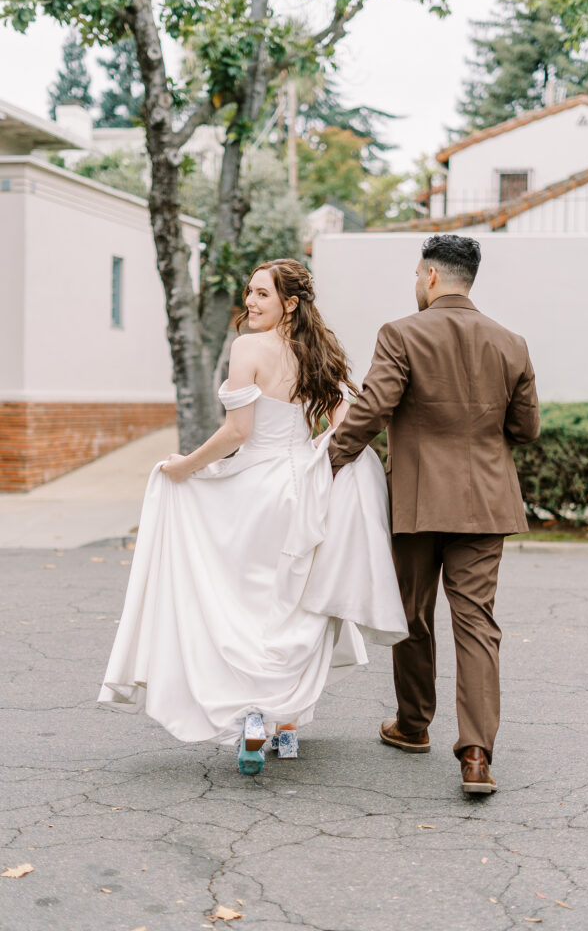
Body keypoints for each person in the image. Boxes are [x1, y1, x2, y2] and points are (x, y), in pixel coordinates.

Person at [98, 258, 407, 776]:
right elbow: (344, 426)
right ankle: (284, 723)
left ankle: (257, 717)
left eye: (263, 294)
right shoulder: (319, 351)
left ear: (289, 302)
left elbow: (238, 432)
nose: (251, 302)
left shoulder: (247, 349)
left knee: (245, 603)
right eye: (249, 292)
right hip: (304, 487)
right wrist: (317, 463)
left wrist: (187, 466)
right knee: (291, 602)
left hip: (258, 489)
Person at [328, 234, 540, 795]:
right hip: (487, 503)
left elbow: (373, 408)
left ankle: (414, 725)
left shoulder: (401, 333)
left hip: (418, 501)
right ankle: (475, 754)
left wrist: (328, 461)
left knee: (413, 615)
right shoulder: (511, 342)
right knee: (476, 625)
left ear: (428, 277)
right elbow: (527, 429)